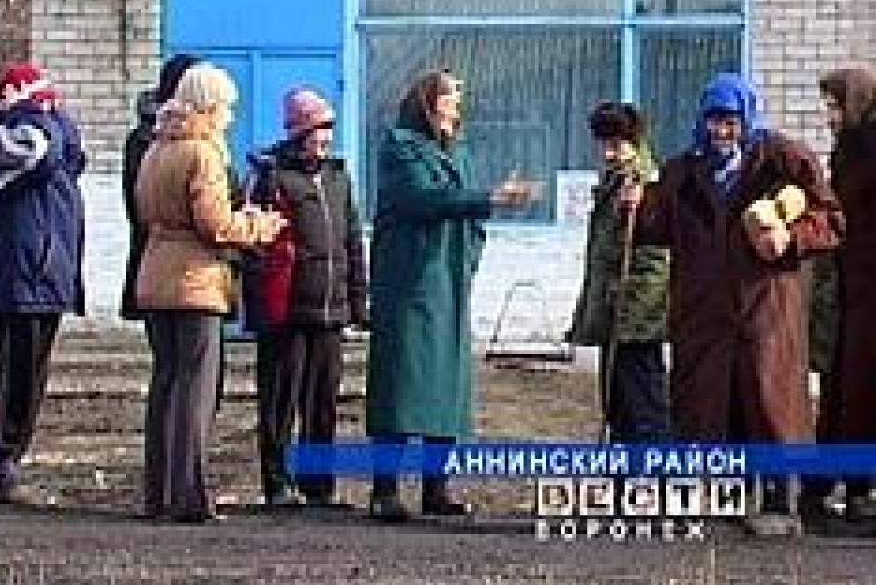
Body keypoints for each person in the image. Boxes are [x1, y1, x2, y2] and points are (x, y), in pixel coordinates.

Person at [622, 72, 844, 536]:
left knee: (768, 405)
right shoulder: (685, 170)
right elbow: (655, 229)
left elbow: (831, 220)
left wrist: (791, 236)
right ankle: (726, 500)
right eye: (714, 122)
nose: (723, 133)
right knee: (713, 407)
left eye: (731, 122)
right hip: (704, 312)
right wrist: (635, 207)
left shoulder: (784, 160)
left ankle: (781, 505)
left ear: (748, 118)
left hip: (767, 308)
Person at [365, 68, 534, 522]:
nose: (456, 106)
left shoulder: (455, 149)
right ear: (427, 102)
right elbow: (426, 198)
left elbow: (462, 203)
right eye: (449, 97)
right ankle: (385, 490)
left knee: (445, 392)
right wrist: (490, 198)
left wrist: (478, 233)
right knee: (402, 385)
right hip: (411, 281)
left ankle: (436, 488)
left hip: (449, 279)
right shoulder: (400, 147)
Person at [134, 63, 285, 523]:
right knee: (195, 391)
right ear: (210, 105)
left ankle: (158, 491)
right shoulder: (203, 154)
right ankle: (190, 494)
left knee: (165, 386)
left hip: (156, 274)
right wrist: (260, 227)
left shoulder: (156, 149)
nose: (231, 117)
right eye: (227, 107)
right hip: (196, 280)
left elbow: (144, 213)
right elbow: (215, 224)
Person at [244, 87, 368, 508]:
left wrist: (357, 302)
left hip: (330, 309)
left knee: (323, 403)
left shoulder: (337, 175)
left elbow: (352, 239)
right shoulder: (272, 176)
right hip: (287, 310)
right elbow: (258, 244)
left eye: (330, 127)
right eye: (319, 127)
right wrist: (262, 305)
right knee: (280, 400)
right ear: (300, 131)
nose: (327, 136)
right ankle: (277, 484)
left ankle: (318, 486)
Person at [0, 62, 86, 506]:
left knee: (30, 375)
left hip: (45, 273)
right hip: (16, 274)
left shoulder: (50, 140)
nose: (49, 109)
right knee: (5, 372)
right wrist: (27, 114)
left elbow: (66, 150)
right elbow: (39, 152)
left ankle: (9, 462)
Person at [800, 68, 876, 536]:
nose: (830, 116)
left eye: (836, 106)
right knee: (849, 401)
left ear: (860, 104)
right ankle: (853, 497)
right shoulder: (852, 150)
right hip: (854, 299)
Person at [566, 102, 671, 444]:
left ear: (635, 140)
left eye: (616, 145)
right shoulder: (615, 179)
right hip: (614, 307)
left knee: (643, 400)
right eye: (604, 144)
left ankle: (655, 474)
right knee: (617, 400)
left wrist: (638, 211)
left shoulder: (645, 182)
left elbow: (656, 255)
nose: (609, 153)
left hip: (636, 313)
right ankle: (622, 472)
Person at [121, 54, 201, 322]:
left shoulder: (199, 138)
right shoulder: (146, 140)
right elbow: (139, 205)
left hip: (186, 266)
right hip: (164, 258)